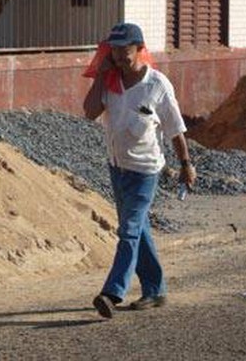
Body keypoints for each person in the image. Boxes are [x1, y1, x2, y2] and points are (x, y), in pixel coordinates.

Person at [83, 22, 197, 319]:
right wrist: (100, 75)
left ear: (140, 50)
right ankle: (156, 290)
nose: (121, 57)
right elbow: (90, 111)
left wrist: (186, 164)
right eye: (115, 51)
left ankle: (112, 293)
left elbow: (175, 130)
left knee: (129, 230)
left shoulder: (157, 84)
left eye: (126, 51)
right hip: (117, 167)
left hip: (145, 171)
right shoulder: (110, 82)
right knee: (140, 230)